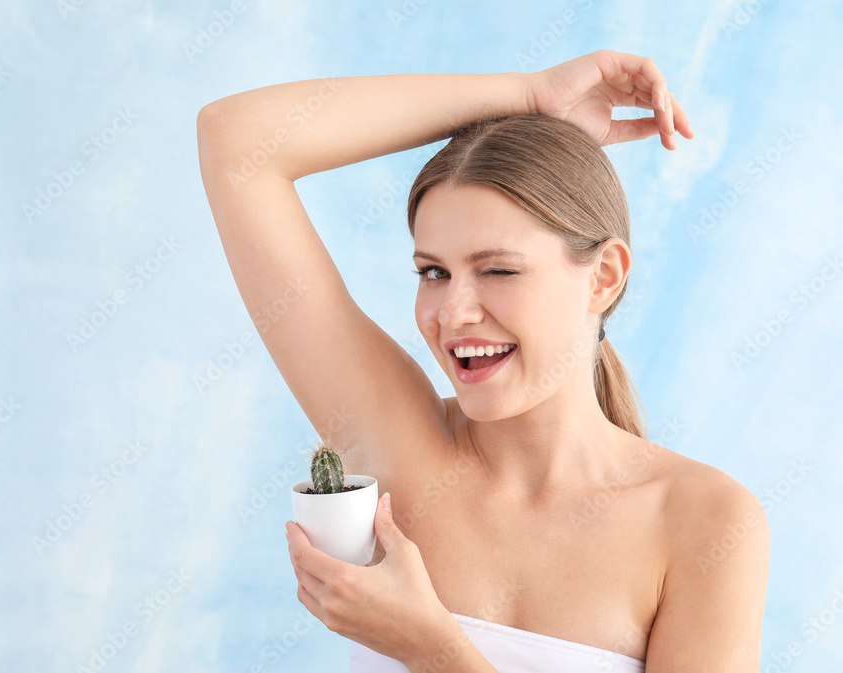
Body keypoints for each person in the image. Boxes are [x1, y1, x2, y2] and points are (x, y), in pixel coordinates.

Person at [197, 49, 769, 673]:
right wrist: (527, 96)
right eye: (433, 272)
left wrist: (431, 647)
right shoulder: (400, 446)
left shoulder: (704, 522)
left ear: (603, 276)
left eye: (498, 270)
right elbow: (237, 141)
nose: (453, 312)